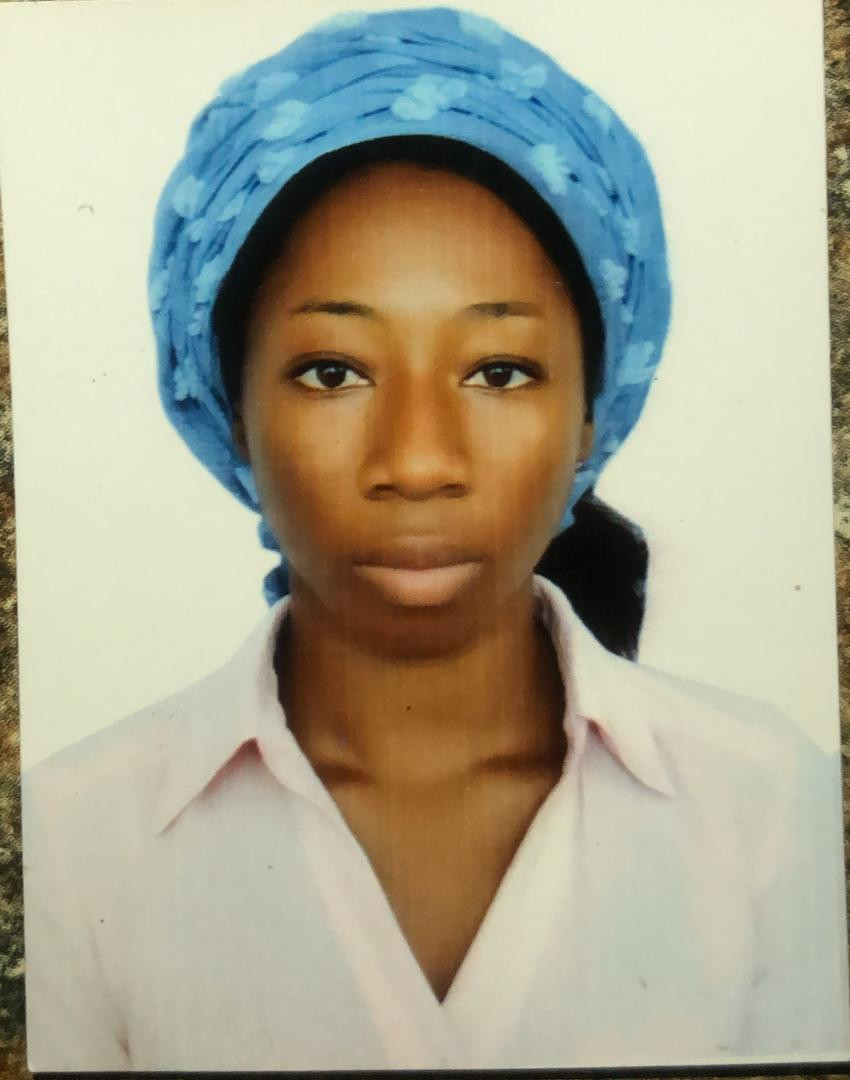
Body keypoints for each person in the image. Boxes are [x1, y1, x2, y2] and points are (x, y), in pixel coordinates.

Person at [22, 7, 850, 1072]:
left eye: (498, 371)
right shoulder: (72, 844)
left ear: (591, 416)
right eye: (334, 371)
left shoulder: (771, 808)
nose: (418, 462)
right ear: (231, 414)